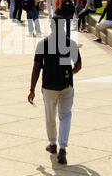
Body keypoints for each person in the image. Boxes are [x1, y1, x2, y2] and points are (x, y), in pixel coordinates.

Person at [28, 15, 82, 165]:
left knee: (50, 116)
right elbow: (78, 66)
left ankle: (53, 145)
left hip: (49, 85)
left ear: (51, 27)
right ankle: (63, 147)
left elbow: (36, 68)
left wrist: (32, 89)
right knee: (65, 116)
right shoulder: (70, 43)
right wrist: (69, 72)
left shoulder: (42, 44)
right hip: (66, 85)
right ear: (63, 27)